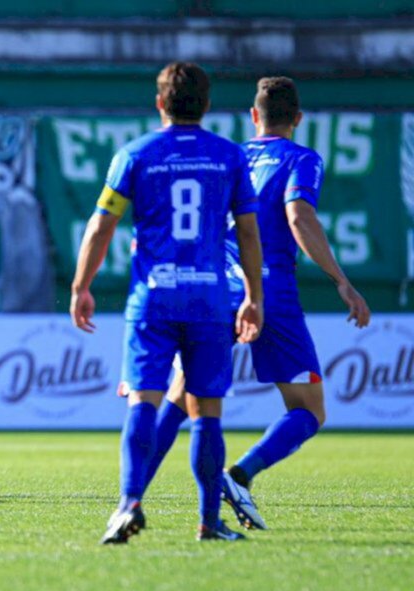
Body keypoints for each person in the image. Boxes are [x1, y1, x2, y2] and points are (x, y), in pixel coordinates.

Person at [143, 77, 372, 530]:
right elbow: (298, 215)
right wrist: (341, 281)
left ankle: (131, 498)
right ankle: (241, 474)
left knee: (180, 391)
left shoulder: (230, 156)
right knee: (308, 409)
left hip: (211, 287)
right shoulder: (302, 159)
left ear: (253, 116)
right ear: (298, 119)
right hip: (270, 290)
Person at [70, 62, 265, 543]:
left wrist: (80, 286)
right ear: (207, 104)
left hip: (152, 299)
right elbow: (247, 230)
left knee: (143, 399)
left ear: (160, 103)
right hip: (210, 299)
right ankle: (207, 521)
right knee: (207, 411)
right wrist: (255, 297)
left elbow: (101, 226)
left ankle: (129, 502)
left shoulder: (135, 154)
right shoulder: (229, 157)